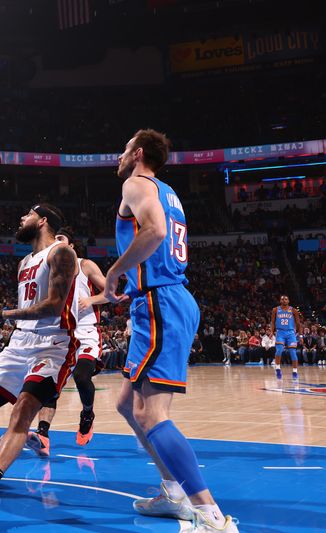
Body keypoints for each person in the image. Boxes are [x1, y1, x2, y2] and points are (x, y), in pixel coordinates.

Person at [104, 130, 236, 531]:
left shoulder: (135, 182)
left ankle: (210, 513)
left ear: (138, 153)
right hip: (168, 298)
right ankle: (172, 492)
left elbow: (156, 232)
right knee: (128, 404)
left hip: (161, 302)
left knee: (153, 415)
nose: (121, 154)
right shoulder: (168, 191)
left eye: (125, 148)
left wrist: (115, 271)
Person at [0, 203, 76, 522]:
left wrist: (2, 314)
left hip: (53, 344)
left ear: (43, 220)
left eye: (28, 214)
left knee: (22, 411)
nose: (22, 218)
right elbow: (30, 307)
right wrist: (3, 319)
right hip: (21, 342)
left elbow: (53, 306)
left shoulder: (62, 253)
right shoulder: (23, 262)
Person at [26, 229, 109, 455]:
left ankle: (87, 413)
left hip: (85, 332)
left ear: (71, 246)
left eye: (61, 240)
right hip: (60, 334)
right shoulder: (49, 272)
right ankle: (42, 435)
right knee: (48, 386)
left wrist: (91, 299)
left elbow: (111, 292)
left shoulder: (85, 265)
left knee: (82, 376)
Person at [269, 295, 302, 380]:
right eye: (282, 299)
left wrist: (301, 335)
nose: (284, 300)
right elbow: (272, 322)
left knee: (293, 353)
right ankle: (278, 368)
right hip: (280, 332)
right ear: (280, 301)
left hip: (291, 333)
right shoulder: (275, 310)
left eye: (286, 299)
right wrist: (271, 332)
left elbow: (298, 324)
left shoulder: (293, 310)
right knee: (279, 350)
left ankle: (295, 371)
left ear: (288, 301)